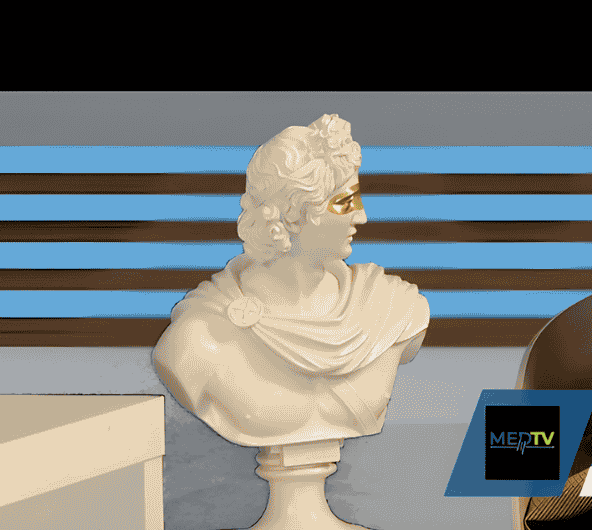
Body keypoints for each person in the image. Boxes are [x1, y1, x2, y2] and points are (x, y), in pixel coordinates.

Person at [153, 113, 429, 449]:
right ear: (294, 214)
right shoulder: (198, 340)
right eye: (345, 202)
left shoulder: (392, 308)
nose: (362, 216)